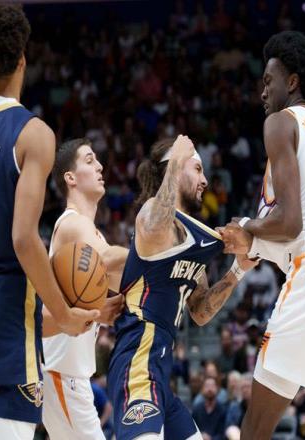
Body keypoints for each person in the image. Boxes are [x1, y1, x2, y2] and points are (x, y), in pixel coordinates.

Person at [0, 5, 98, 440]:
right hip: (6, 315)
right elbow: (23, 238)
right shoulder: (33, 133)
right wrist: (63, 313)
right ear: (22, 59)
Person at [218, 31, 305, 439]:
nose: (262, 92)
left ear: (291, 82)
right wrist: (255, 240)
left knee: (255, 426)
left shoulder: (280, 123)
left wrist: (246, 225)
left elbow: (291, 223)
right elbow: (304, 223)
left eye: (268, 80)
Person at [107, 135, 257, 440]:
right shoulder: (153, 215)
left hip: (161, 370)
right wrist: (176, 158)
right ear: (173, 169)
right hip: (138, 358)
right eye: (197, 169)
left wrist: (238, 269)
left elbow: (200, 312)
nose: (204, 181)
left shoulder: (190, 241)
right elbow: (154, 225)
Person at [41, 138, 125, 439]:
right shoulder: (73, 223)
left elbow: (124, 280)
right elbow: (107, 259)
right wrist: (157, 256)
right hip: (61, 373)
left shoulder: (92, 233)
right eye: (90, 160)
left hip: (71, 377)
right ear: (71, 178)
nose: (100, 166)